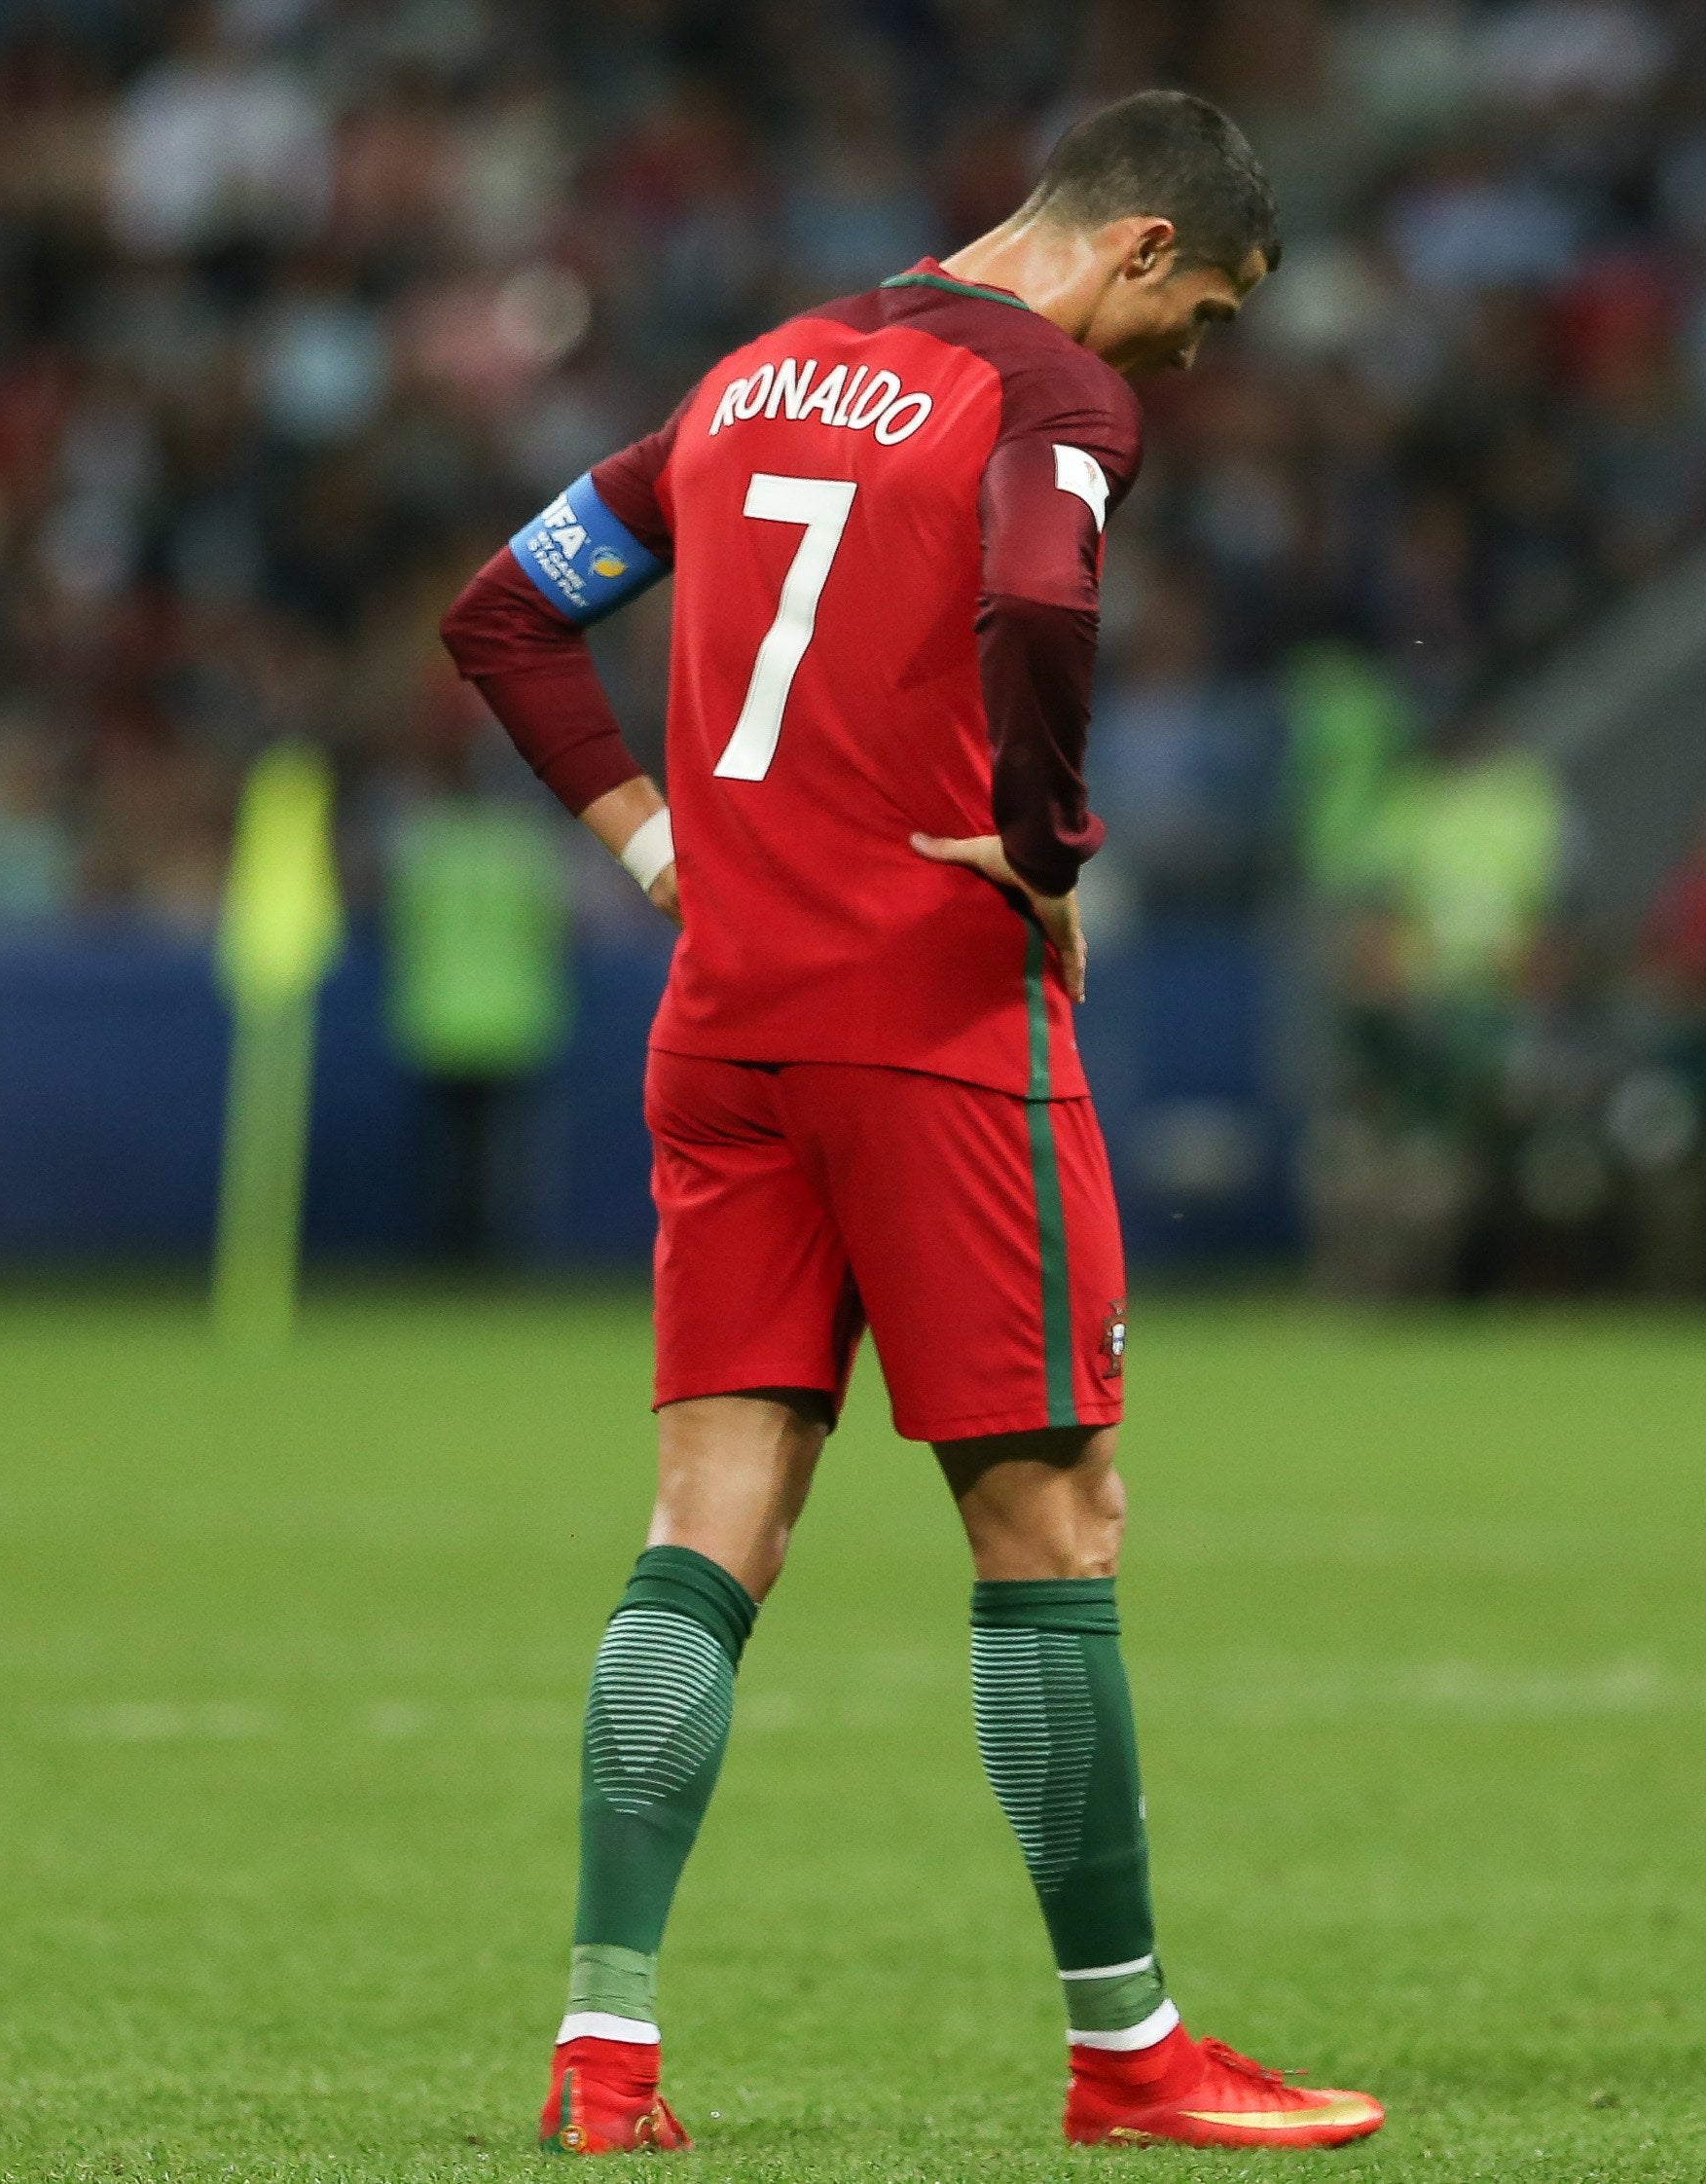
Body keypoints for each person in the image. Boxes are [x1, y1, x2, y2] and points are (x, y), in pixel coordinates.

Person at [440, 92, 1383, 2152]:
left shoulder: (752, 373)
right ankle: (1128, 2053)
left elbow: (502, 610)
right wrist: (1049, 840)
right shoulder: (1053, 394)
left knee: (708, 1526)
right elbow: (1041, 598)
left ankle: (604, 2051)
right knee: (1052, 1526)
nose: (1191, 359)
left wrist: (652, 845)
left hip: (725, 1029)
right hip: (938, 1029)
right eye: (1208, 313)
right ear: (1140, 245)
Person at [383, 728, 575, 1261]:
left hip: (441, 1018)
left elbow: (397, 921)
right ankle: (498, 1258)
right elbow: (560, 926)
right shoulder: (527, 843)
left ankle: (449, 1254)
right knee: (503, 1158)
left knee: (446, 1155)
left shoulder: (426, 841)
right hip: (512, 1018)